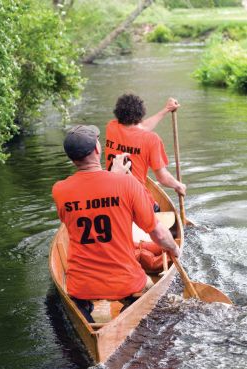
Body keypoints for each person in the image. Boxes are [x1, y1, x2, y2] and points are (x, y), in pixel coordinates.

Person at [52, 125, 180, 321]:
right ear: (97, 149)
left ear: (71, 157)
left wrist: (113, 177)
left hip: (81, 285)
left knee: (79, 298)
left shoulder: (59, 190)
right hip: (125, 282)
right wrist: (174, 249)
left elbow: (90, 196)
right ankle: (129, 315)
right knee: (159, 298)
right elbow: (159, 234)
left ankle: (90, 317)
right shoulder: (127, 184)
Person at [105, 94, 186, 211]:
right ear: (141, 114)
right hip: (137, 199)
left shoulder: (111, 127)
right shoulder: (151, 139)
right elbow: (162, 178)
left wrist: (167, 109)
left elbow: (141, 128)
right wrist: (178, 185)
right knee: (156, 208)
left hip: (113, 195)